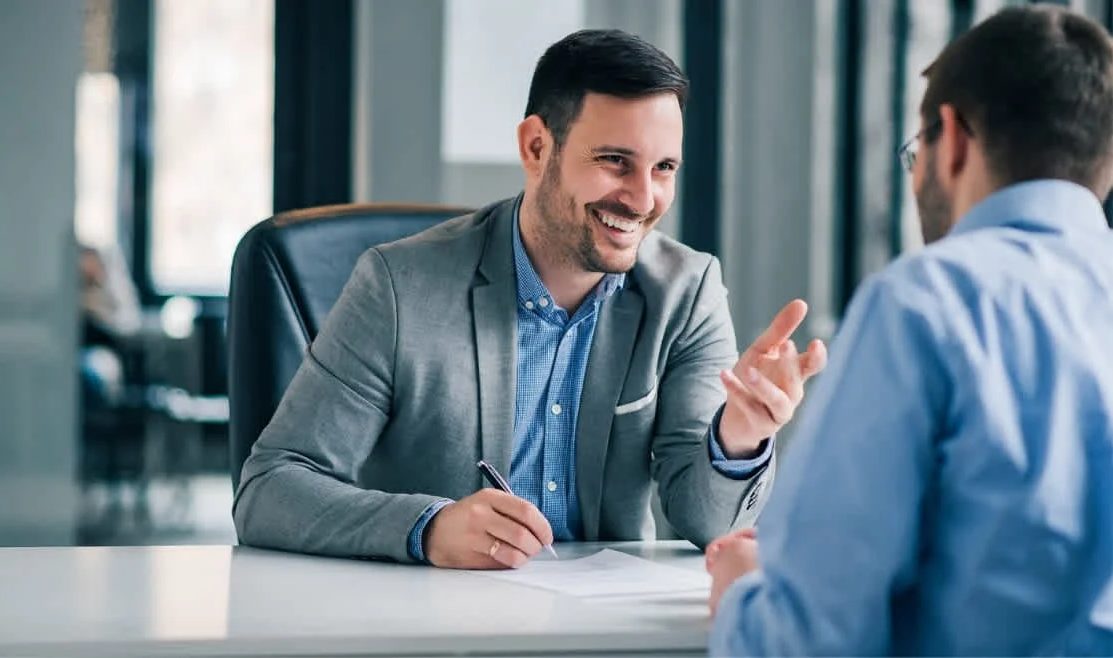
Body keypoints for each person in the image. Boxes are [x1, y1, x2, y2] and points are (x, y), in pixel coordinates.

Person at [233, 28, 827, 569]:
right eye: (615, 161)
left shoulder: (686, 293)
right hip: (431, 627)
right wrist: (428, 527)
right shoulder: (396, 285)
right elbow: (270, 489)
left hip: (601, 632)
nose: (643, 198)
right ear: (537, 148)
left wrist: (740, 436)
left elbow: (707, 522)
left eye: (664, 167)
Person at [706, 5, 1113, 655]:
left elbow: (810, 640)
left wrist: (747, 595)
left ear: (950, 138)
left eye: (914, 150)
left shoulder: (926, 303)